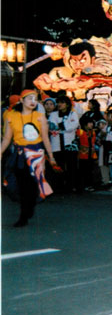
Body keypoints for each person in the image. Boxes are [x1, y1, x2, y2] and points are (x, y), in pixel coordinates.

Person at [1, 90, 57, 227]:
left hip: (36, 155)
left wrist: (51, 156)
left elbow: (45, 138)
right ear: (21, 100)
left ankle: (25, 213)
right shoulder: (11, 116)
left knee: (31, 185)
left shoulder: (40, 116)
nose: (33, 101)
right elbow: (7, 137)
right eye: (30, 98)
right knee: (17, 184)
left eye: (36, 99)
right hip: (19, 154)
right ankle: (27, 208)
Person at [49, 95, 80, 193]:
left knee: (71, 165)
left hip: (69, 143)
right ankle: (58, 186)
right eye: (58, 102)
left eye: (62, 103)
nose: (59, 105)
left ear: (67, 104)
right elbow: (52, 126)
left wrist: (62, 126)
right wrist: (60, 127)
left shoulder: (72, 114)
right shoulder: (53, 114)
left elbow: (73, 125)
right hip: (56, 143)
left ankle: (71, 185)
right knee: (58, 165)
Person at [75, 113, 98, 192]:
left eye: (92, 123)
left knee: (90, 170)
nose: (91, 124)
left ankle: (89, 185)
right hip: (82, 155)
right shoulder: (80, 132)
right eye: (89, 123)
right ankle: (81, 185)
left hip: (91, 155)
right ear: (84, 124)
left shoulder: (93, 133)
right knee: (82, 171)